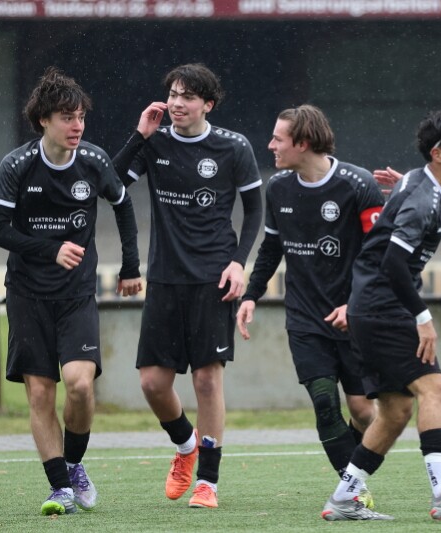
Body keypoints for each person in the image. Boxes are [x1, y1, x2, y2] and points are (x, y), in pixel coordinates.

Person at [321, 108, 441, 521]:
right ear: (438, 153)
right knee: (435, 390)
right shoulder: (423, 197)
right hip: (385, 309)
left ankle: (343, 498)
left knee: (396, 410)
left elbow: (417, 203)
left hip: (371, 308)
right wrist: (423, 318)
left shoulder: (421, 183)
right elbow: (393, 264)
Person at [0, 67, 142, 516]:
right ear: (43, 120)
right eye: (67, 118)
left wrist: (131, 266)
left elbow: (123, 204)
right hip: (27, 294)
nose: (77, 126)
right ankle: (60, 488)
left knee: (79, 385)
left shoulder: (93, 161)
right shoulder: (17, 165)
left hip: (75, 295)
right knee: (40, 393)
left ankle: (73, 465)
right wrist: (50, 249)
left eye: (81, 117)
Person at [112, 63, 263, 508]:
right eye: (173, 94)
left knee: (207, 381)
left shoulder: (233, 146)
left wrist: (239, 263)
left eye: (188, 97)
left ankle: (208, 482)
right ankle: (185, 445)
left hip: (213, 278)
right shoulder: (155, 143)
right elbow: (110, 185)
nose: (177, 103)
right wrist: (138, 136)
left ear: (207, 104)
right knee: (152, 383)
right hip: (164, 277)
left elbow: (255, 210)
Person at [236, 105, 382, 504]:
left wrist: (355, 304)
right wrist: (251, 295)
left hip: (354, 316)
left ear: (302, 143)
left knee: (364, 412)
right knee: (323, 401)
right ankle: (352, 492)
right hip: (304, 317)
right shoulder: (278, 188)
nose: (270, 145)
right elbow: (271, 248)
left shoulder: (359, 184)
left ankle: (353, 476)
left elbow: (379, 253)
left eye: (277, 139)